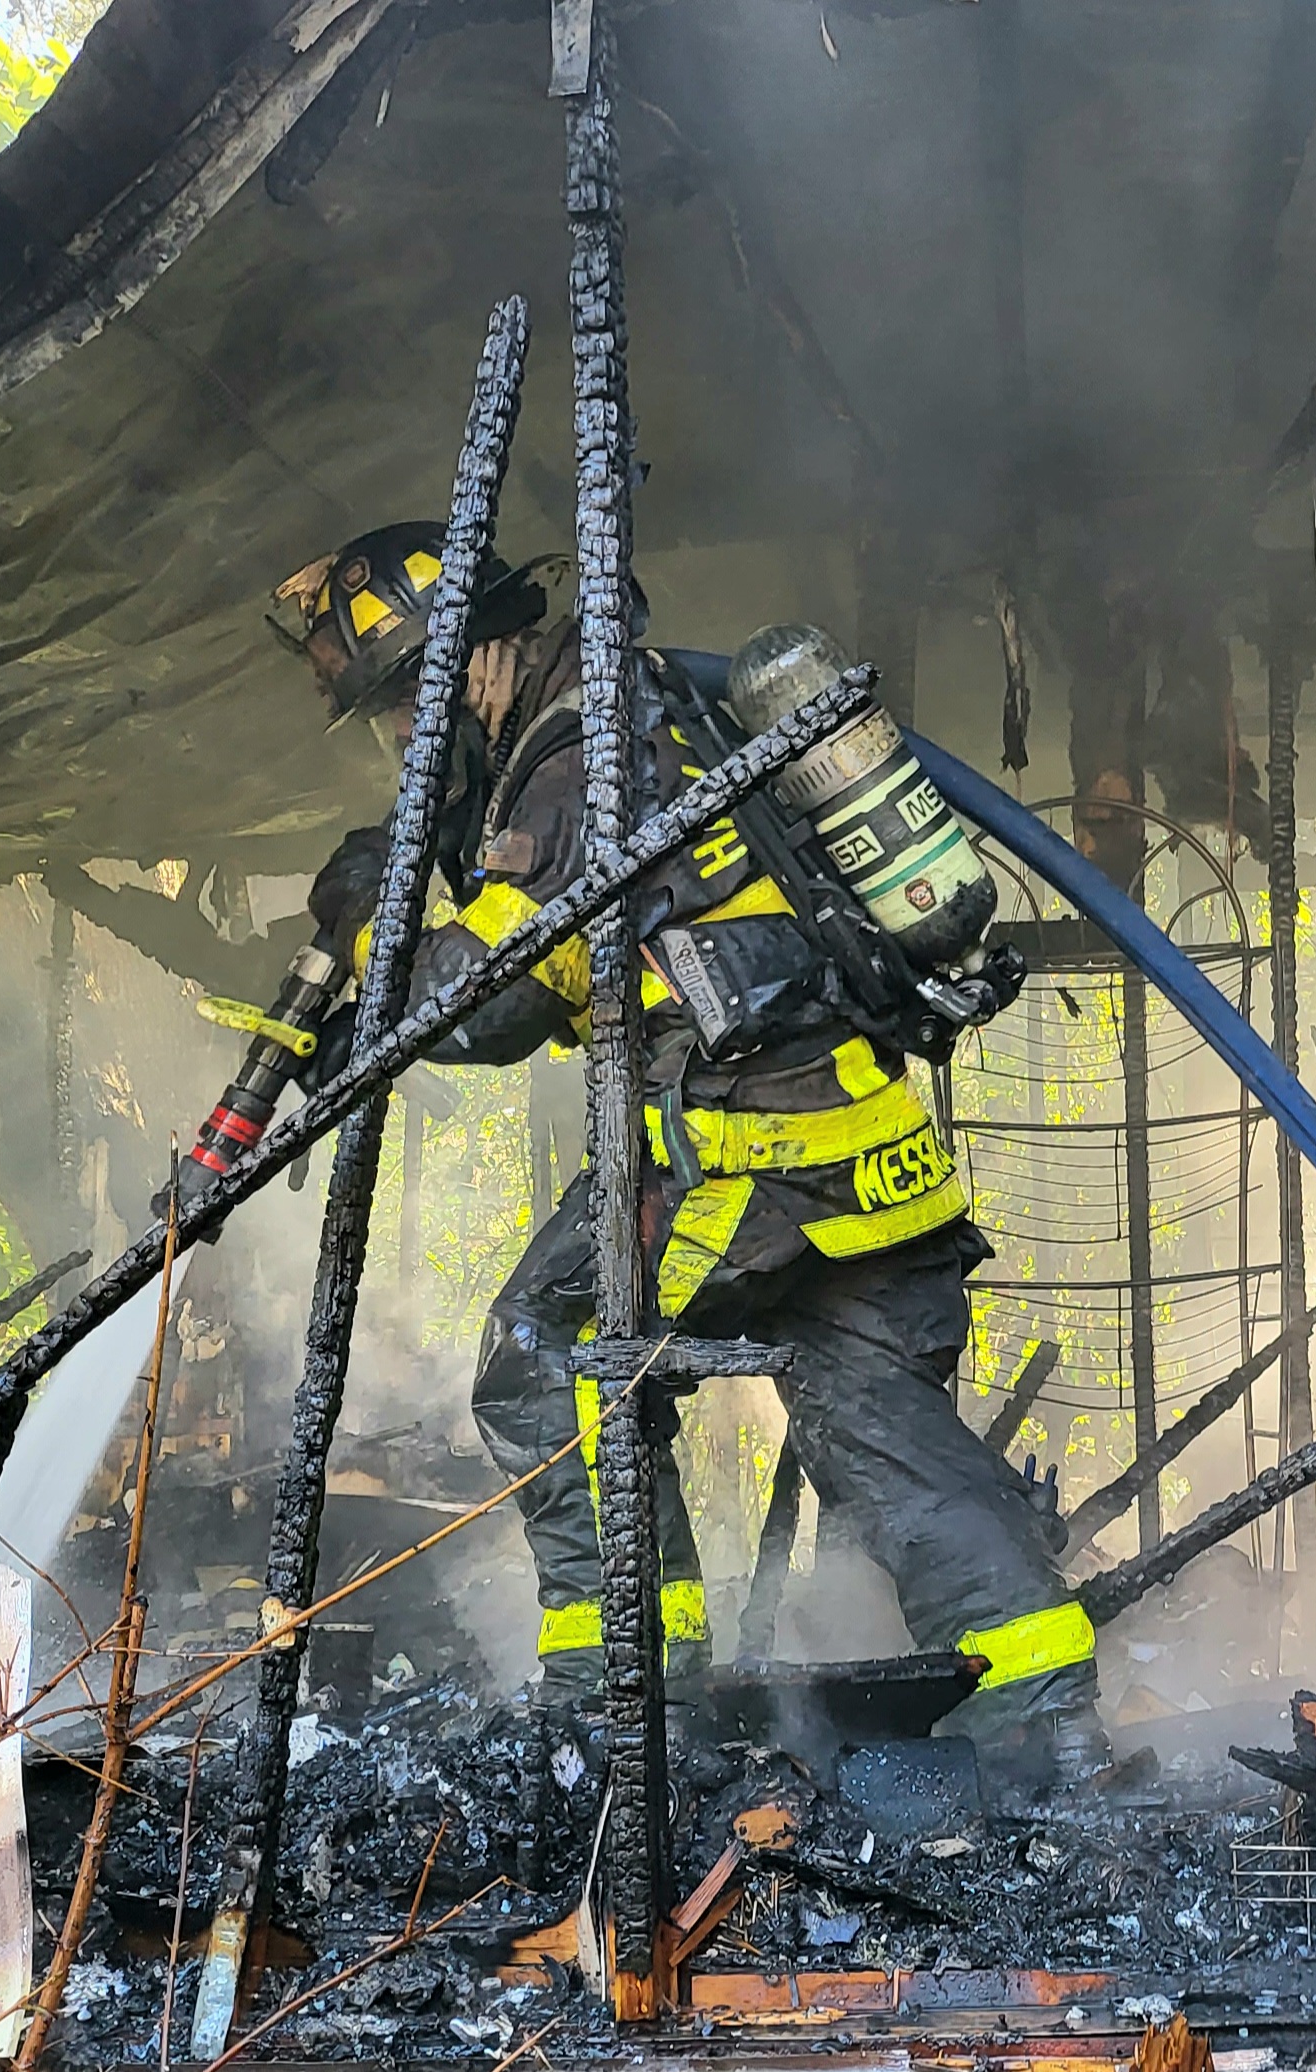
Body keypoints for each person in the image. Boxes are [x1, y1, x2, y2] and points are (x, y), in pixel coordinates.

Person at [238, 525, 1113, 1776]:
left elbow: (488, 1000)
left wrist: (380, 940)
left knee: (544, 1350)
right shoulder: (652, 713)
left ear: (468, 660)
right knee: (870, 1419)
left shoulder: (576, 757)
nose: (397, 741)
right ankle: (1051, 1727)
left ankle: (629, 1698)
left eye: (400, 709)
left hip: (745, 1156)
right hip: (863, 1157)